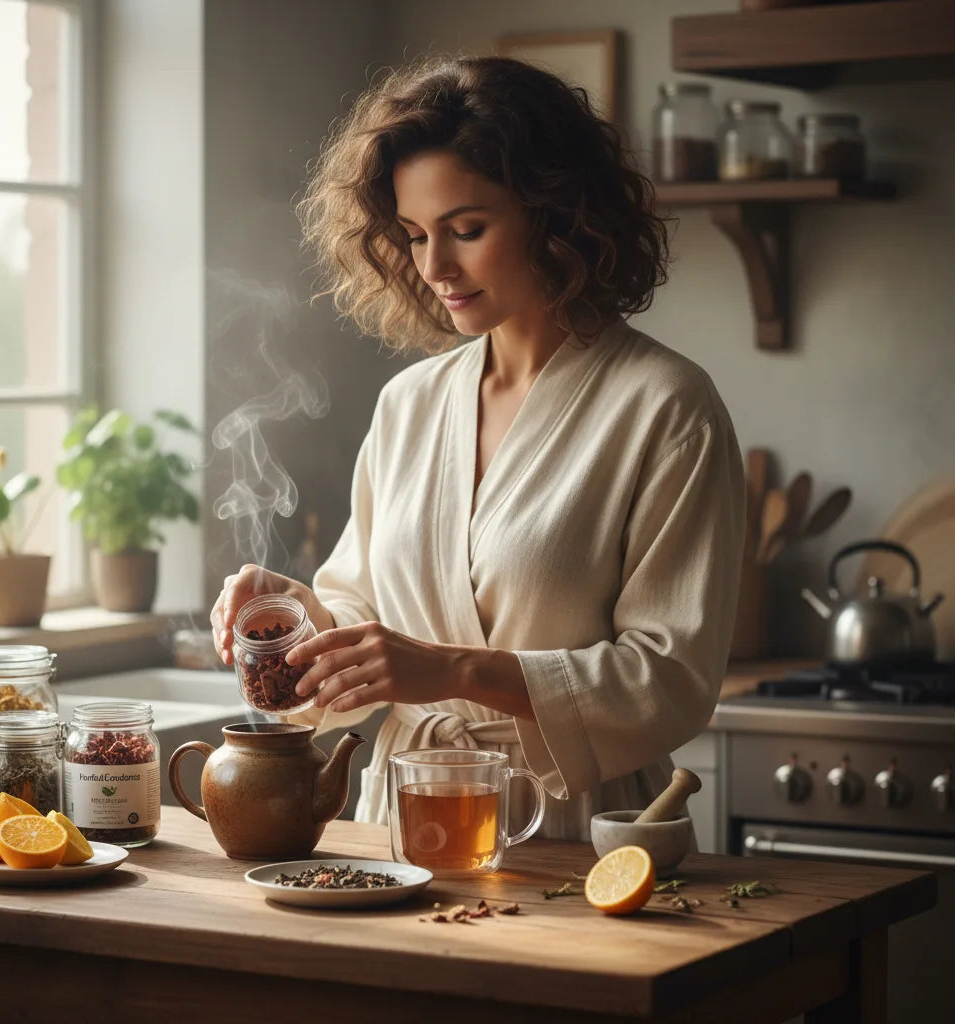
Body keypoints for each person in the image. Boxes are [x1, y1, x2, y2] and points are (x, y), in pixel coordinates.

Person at [210, 55, 746, 840]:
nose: (434, 267)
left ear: (556, 213)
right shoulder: (411, 404)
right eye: (415, 234)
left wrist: (454, 670)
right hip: (405, 818)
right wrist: (297, 615)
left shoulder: (665, 407)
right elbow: (366, 617)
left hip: (577, 827)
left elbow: (669, 677)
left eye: (466, 230)